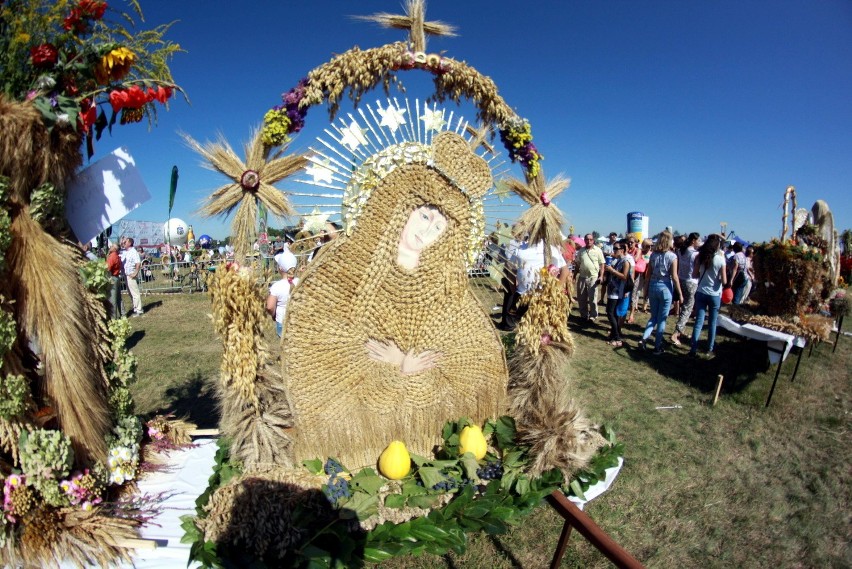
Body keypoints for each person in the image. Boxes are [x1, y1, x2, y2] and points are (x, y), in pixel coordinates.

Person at [638, 231, 683, 355]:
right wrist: (680, 293)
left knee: (653, 317)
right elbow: (674, 276)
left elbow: (648, 275)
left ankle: (644, 339)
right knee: (662, 319)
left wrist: (645, 291)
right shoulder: (672, 256)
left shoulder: (653, 255)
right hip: (665, 287)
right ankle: (657, 346)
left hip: (653, 285)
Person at [689, 234, 727, 357]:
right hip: (715, 294)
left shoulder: (700, 257)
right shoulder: (721, 259)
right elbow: (724, 281)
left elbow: (694, 275)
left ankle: (693, 348)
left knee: (699, 322)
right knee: (712, 322)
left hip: (701, 292)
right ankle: (709, 348)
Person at [671, 232, 700, 346]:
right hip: (691, 281)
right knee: (688, 308)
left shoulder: (680, 251)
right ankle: (676, 332)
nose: (699, 242)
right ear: (693, 240)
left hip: (681, 279)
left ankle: (681, 329)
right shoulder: (694, 254)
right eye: (698, 240)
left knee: (685, 307)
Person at [603, 241, 631, 347]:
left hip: (617, 291)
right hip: (612, 290)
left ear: (622, 250)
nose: (614, 251)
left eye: (616, 249)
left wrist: (612, 271)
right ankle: (614, 335)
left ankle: (617, 336)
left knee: (610, 313)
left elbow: (625, 276)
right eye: (613, 248)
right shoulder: (618, 260)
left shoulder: (626, 261)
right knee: (613, 313)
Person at [267, 249, 299, 337]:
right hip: (299, 321)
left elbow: (269, 307)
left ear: (280, 268)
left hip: (282, 321)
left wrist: (274, 315)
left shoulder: (276, 286)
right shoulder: (300, 282)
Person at [574, 234, 605, 323]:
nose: (589, 241)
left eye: (591, 239)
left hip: (593, 277)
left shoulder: (598, 250)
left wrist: (601, 275)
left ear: (593, 241)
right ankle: (584, 315)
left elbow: (602, 263)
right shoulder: (581, 251)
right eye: (587, 239)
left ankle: (593, 316)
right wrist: (574, 275)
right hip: (582, 277)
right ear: (584, 240)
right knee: (581, 298)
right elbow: (577, 264)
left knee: (593, 298)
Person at [122, 237, 144, 317]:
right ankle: (135, 308)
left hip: (131, 275)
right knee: (131, 293)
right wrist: (123, 241)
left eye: (126, 242)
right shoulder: (127, 252)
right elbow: (120, 246)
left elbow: (138, 263)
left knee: (135, 293)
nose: (124, 243)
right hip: (126, 275)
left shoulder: (134, 252)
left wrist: (135, 273)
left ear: (130, 243)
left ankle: (139, 310)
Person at [105, 241, 124, 319]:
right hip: (116, 277)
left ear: (114, 248)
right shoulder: (117, 256)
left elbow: (108, 268)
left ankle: (113, 317)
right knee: (119, 298)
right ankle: (123, 314)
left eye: (112, 246)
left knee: (113, 299)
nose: (110, 247)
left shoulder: (112, 256)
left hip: (112, 278)